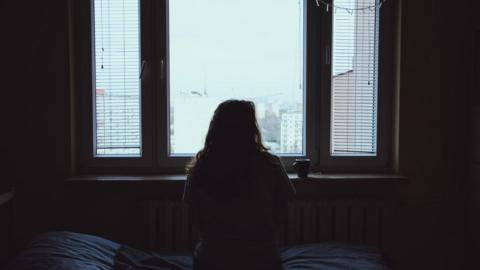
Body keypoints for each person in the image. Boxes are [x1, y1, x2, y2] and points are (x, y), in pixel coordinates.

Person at [183, 100, 295, 270]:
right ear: (251, 128)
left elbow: (195, 220)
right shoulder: (271, 165)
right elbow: (281, 216)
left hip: (211, 260)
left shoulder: (200, 167)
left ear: (216, 128)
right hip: (261, 260)